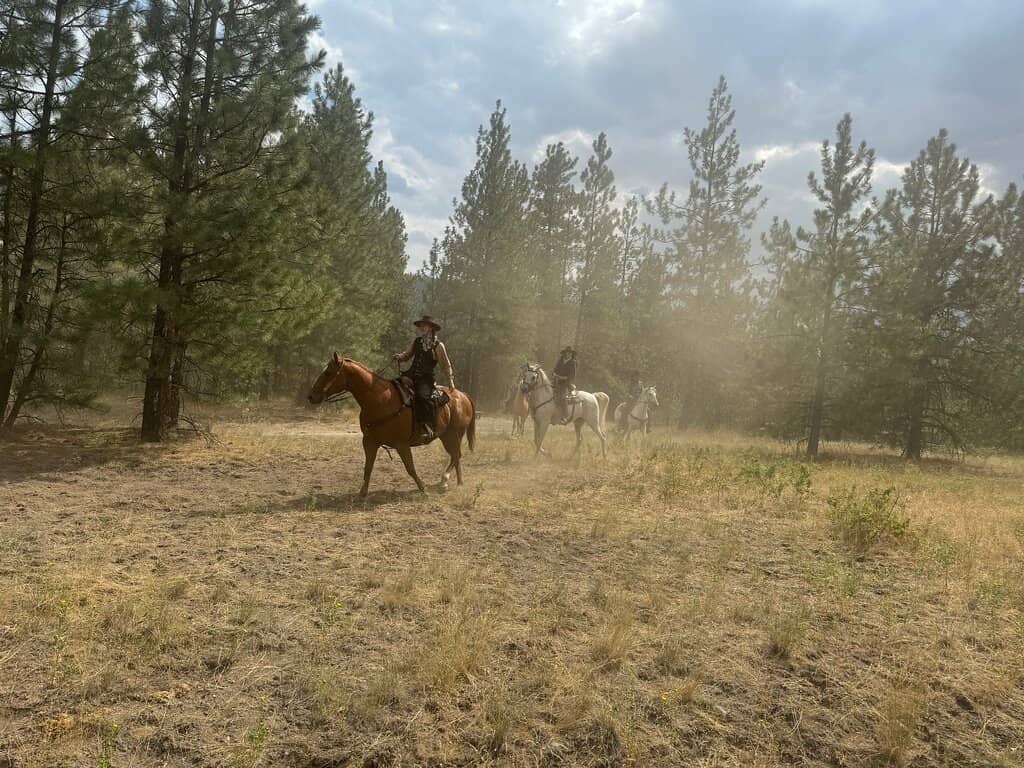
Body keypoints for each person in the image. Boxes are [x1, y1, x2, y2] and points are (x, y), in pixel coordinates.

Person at [393, 315, 454, 440]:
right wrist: (399, 357)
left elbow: (446, 365)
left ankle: (427, 426)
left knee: (422, 397)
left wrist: (451, 381)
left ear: (431, 328)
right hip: (410, 375)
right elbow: (407, 355)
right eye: (421, 325)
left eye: (424, 325)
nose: (422, 328)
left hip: (426, 379)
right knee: (394, 387)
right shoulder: (417, 341)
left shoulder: (438, 345)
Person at [551, 346, 577, 424]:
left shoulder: (573, 363)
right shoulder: (560, 360)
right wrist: (554, 374)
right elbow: (555, 369)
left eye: (570, 353)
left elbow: (572, 376)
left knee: (563, 397)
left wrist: (561, 377)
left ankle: (565, 416)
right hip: (556, 381)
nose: (568, 354)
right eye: (567, 352)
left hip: (565, 383)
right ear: (565, 353)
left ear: (571, 354)